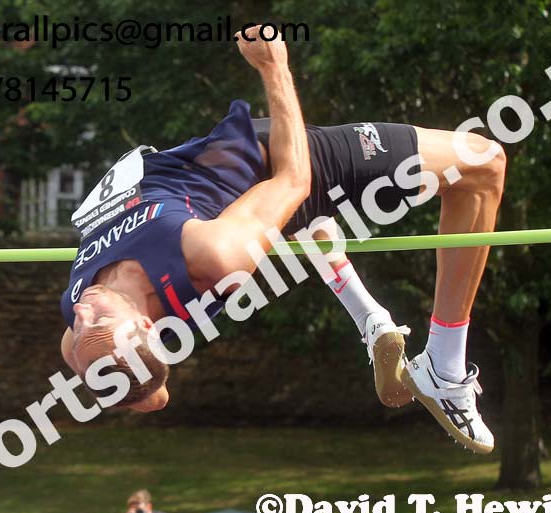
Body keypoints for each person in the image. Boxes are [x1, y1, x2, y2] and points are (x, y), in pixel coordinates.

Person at [60, 26, 506, 454]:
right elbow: (294, 180)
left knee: (303, 230)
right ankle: (443, 369)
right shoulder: (210, 255)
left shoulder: (79, 342)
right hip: (279, 164)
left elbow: (151, 397)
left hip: (212, 174)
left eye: (82, 326)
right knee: (484, 162)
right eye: (97, 322)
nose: (82, 312)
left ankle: (370, 318)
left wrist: (142, 384)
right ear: (145, 326)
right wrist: (275, 68)